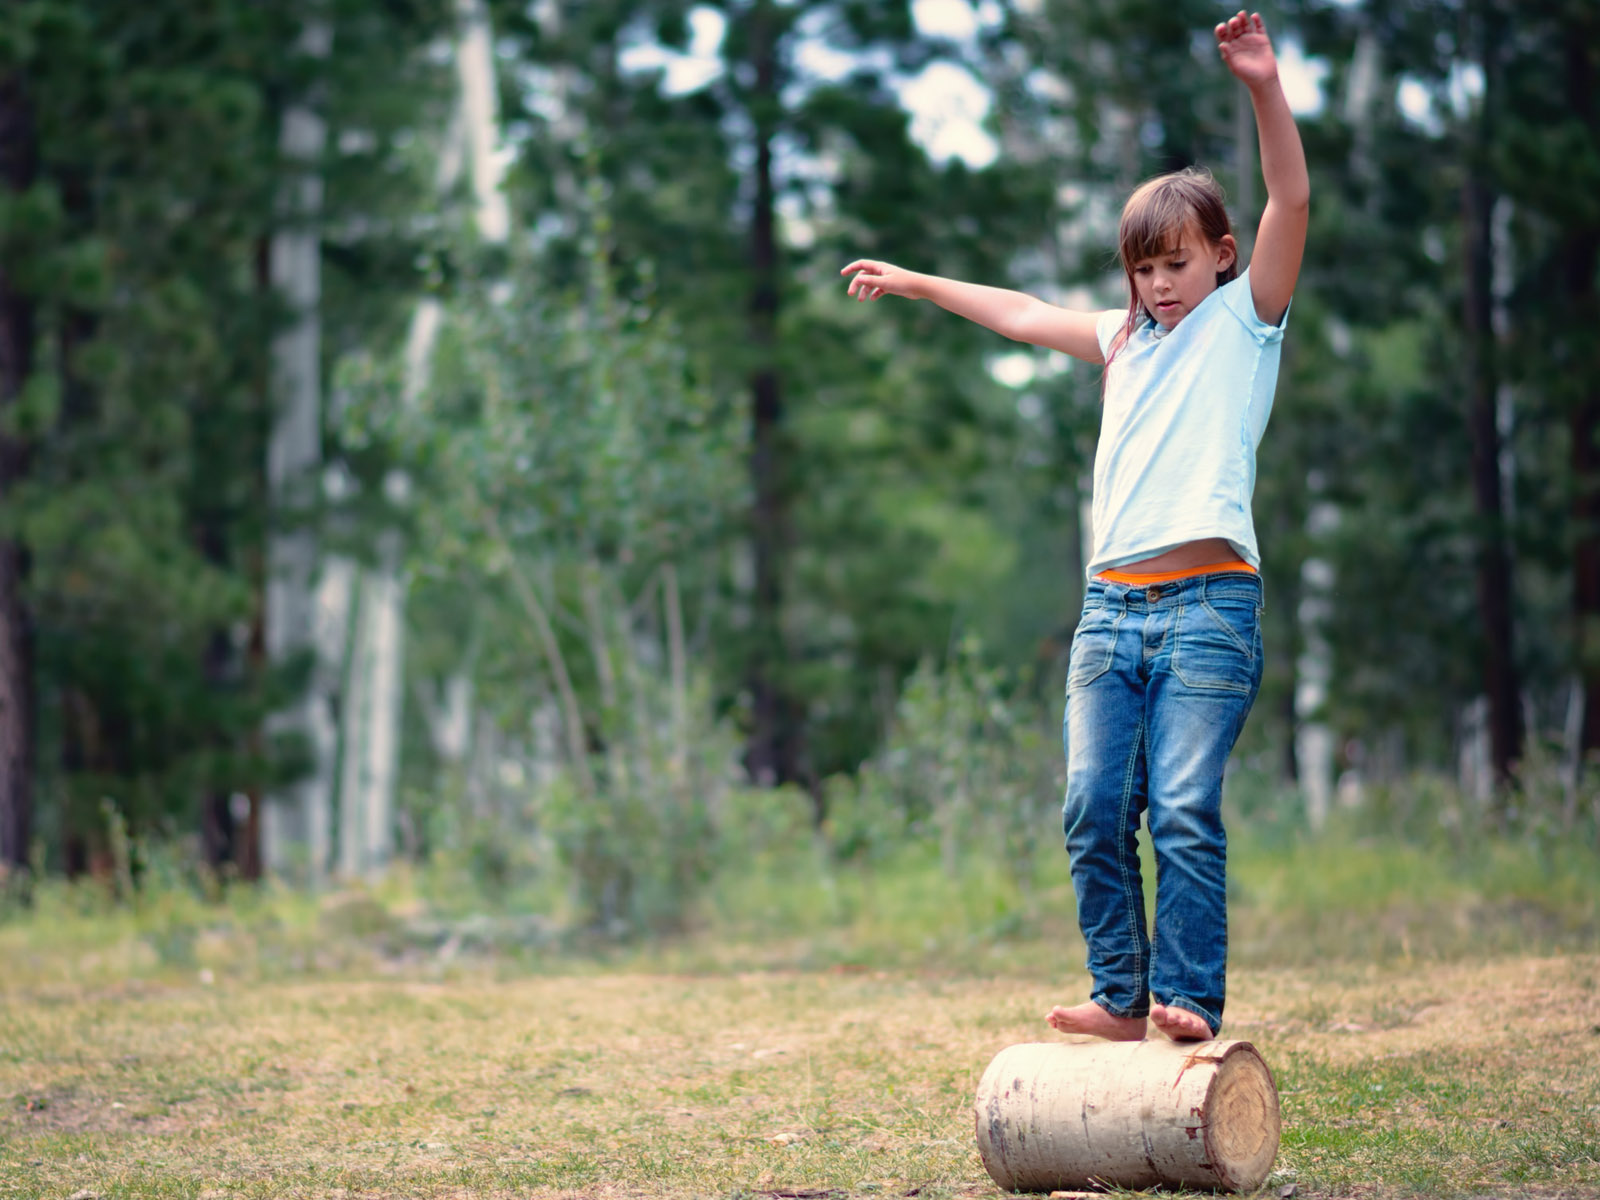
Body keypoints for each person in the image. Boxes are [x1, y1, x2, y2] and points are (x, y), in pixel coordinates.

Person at [840, 11, 1308, 1042]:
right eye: (1143, 269)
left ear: (1221, 258)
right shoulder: (1122, 343)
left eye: (1178, 263)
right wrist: (913, 281)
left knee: (1182, 808)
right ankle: (1120, 994)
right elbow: (1014, 312)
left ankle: (1187, 997)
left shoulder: (1247, 322)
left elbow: (1291, 196)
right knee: (1091, 809)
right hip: (1110, 614)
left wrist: (1262, 88)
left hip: (1208, 610)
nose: (1160, 284)